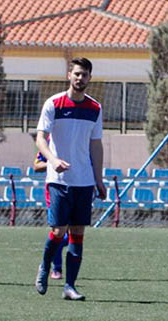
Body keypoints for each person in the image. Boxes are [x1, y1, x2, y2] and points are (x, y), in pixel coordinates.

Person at [34, 57, 106, 301]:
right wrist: (53, 160)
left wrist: (99, 179)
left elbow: (96, 145)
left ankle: (70, 286)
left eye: (84, 75)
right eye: (76, 73)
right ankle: (45, 266)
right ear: (69, 75)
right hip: (58, 180)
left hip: (84, 181)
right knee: (57, 231)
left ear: (89, 78)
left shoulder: (95, 108)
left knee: (78, 233)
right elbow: (40, 138)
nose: (80, 78)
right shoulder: (53, 103)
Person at [32, 139, 67, 281]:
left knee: (72, 235)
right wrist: (53, 163)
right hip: (55, 189)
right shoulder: (49, 140)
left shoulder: (81, 135)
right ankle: (55, 268)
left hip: (78, 187)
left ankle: (69, 281)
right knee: (59, 233)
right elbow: (36, 166)